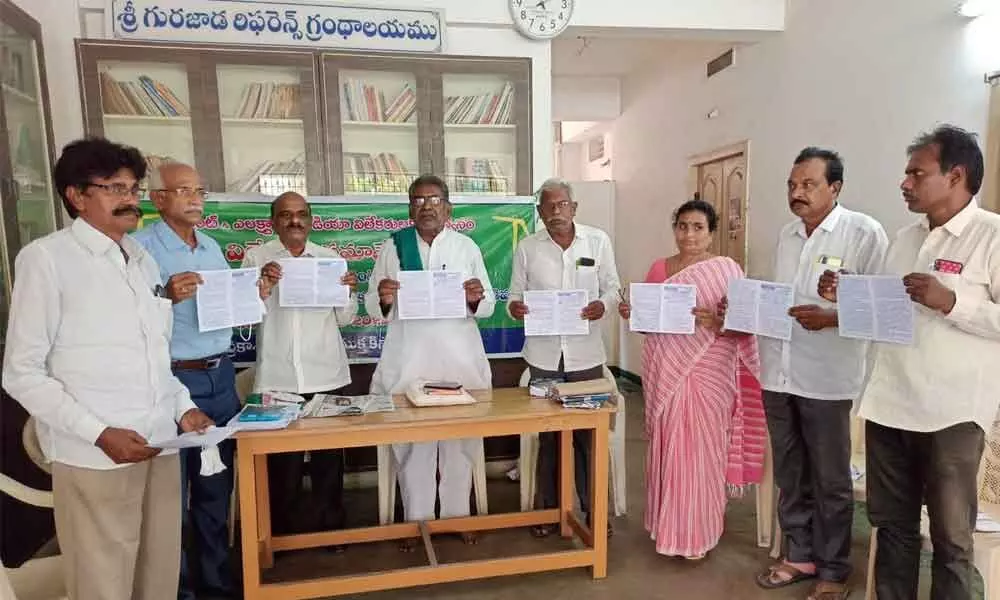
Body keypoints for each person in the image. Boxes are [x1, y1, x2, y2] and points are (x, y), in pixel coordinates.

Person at [2, 137, 213, 600]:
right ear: (77, 196)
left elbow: (154, 354)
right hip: (96, 454)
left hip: (159, 443)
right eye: (115, 188)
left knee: (157, 576)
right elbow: (21, 372)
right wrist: (99, 433)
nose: (130, 200)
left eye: (133, 189)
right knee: (103, 583)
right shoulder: (47, 260)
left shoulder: (141, 259)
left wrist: (184, 409)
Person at [822, 125, 1000, 600]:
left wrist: (951, 302)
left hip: (952, 416)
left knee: (950, 541)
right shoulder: (903, 239)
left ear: (956, 175)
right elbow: (883, 313)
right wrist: (847, 296)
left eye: (916, 173)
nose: (904, 183)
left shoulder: (992, 237)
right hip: (890, 406)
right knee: (893, 530)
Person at [747, 148, 888, 600]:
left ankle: (833, 567)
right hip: (778, 371)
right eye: (792, 185)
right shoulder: (787, 235)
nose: (796, 193)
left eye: (808, 184)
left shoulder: (863, 233)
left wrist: (833, 315)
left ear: (835, 188)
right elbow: (779, 300)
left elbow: (880, 310)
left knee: (830, 479)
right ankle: (800, 554)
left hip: (827, 377)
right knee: (791, 472)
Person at [617, 199, 763, 560]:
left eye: (698, 227)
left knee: (702, 454)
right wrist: (632, 313)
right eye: (683, 226)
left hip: (710, 372)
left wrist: (714, 321)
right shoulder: (659, 268)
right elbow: (647, 325)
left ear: (711, 233)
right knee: (670, 449)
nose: (689, 234)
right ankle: (667, 527)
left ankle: (698, 534)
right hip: (665, 370)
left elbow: (744, 324)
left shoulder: (727, 270)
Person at [366, 174, 495, 550]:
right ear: (410, 208)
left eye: (434, 200)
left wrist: (474, 296)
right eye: (419, 200)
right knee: (414, 450)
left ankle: (456, 518)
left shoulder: (466, 246)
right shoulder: (393, 247)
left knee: (459, 448)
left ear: (448, 208)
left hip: (459, 362)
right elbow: (373, 309)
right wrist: (384, 296)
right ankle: (415, 523)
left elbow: (485, 307)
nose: (427, 206)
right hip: (409, 364)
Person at [131, 162, 240, 600]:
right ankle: (176, 590)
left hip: (220, 376)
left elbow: (224, 307)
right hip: (171, 380)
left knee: (215, 490)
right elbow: (126, 317)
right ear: (158, 199)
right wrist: (163, 296)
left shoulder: (212, 248)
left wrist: (254, 295)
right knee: (171, 497)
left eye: (200, 190)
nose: (195, 199)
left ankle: (215, 585)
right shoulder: (138, 251)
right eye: (183, 191)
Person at [507, 177, 621, 538]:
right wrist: (517, 308)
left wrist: (603, 304)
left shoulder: (597, 240)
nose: (556, 211)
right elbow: (513, 296)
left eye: (563, 205)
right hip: (543, 358)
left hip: (585, 355)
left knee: (590, 437)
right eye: (549, 206)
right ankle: (549, 512)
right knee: (550, 437)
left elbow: (614, 287)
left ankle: (595, 513)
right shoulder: (527, 247)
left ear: (574, 208)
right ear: (539, 211)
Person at [246, 191, 358, 541]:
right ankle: (282, 538)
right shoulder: (256, 257)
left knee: (329, 463)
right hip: (277, 377)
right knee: (283, 466)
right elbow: (244, 318)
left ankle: (331, 532)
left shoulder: (329, 259)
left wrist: (348, 291)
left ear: (310, 220)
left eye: (301, 214)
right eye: (285, 215)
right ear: (273, 221)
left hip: (326, 372)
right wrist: (262, 287)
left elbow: (346, 318)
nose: (294, 221)